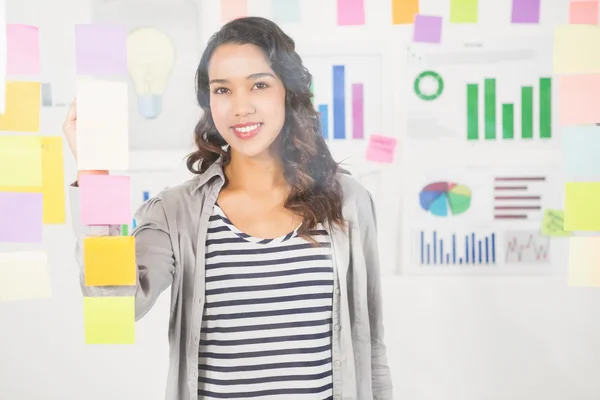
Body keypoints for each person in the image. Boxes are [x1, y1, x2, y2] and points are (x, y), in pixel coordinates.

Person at [63, 16, 392, 400]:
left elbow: (371, 348)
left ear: (289, 91)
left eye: (259, 84)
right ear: (209, 103)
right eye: (223, 89)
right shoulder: (175, 212)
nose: (240, 106)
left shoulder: (348, 202)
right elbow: (113, 309)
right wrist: (94, 170)